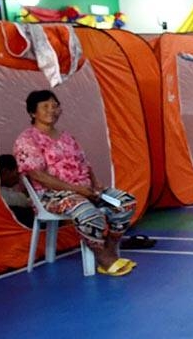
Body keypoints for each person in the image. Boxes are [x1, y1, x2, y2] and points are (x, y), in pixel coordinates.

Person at [13, 89, 137, 276]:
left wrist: (95, 185)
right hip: (50, 196)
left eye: (55, 106)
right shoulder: (26, 140)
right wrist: (76, 189)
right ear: (32, 113)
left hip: (84, 191)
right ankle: (103, 258)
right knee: (87, 212)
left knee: (125, 203)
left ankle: (110, 248)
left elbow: (84, 163)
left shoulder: (67, 137)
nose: (51, 110)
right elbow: (38, 175)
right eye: (45, 107)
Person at [0, 153, 34, 227]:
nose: (18, 178)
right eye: (17, 173)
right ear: (5, 172)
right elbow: (23, 201)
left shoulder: (6, 190)